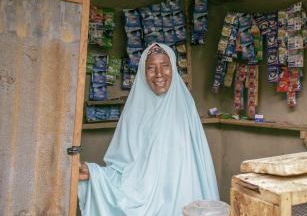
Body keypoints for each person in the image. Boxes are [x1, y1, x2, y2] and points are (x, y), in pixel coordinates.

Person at [78, 43, 219, 216]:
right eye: (151, 68)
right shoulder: (134, 113)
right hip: (146, 203)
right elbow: (123, 168)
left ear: (173, 69)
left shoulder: (185, 106)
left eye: (165, 66)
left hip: (185, 199)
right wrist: (94, 174)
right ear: (143, 74)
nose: (159, 74)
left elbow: (200, 162)